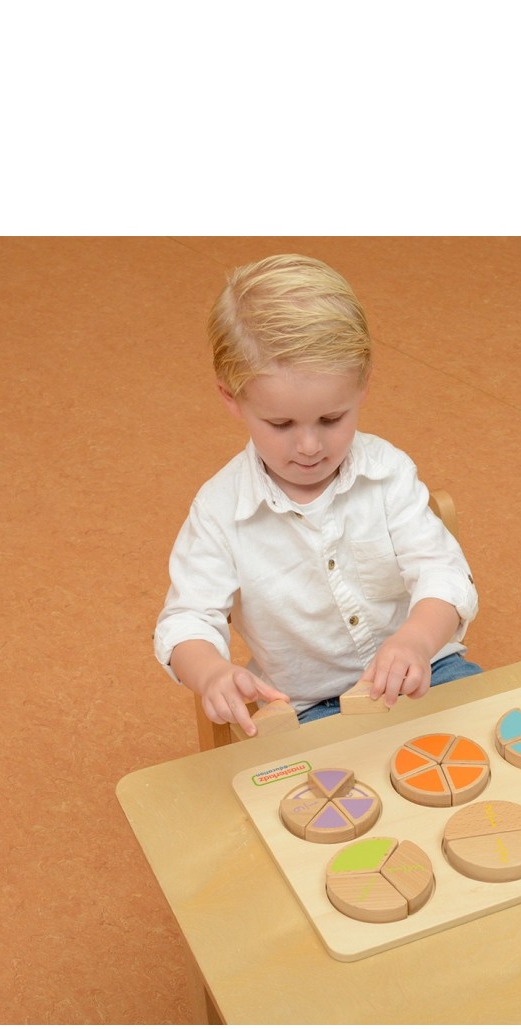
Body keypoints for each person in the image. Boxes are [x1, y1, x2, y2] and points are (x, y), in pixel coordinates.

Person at [154, 253, 481, 736]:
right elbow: (187, 619)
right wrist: (211, 673)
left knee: (490, 740)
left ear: (363, 386)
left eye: (331, 419)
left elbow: (444, 574)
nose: (309, 446)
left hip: (427, 672)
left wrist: (415, 640)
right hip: (306, 708)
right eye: (281, 424)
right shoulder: (218, 511)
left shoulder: (388, 472)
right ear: (232, 398)